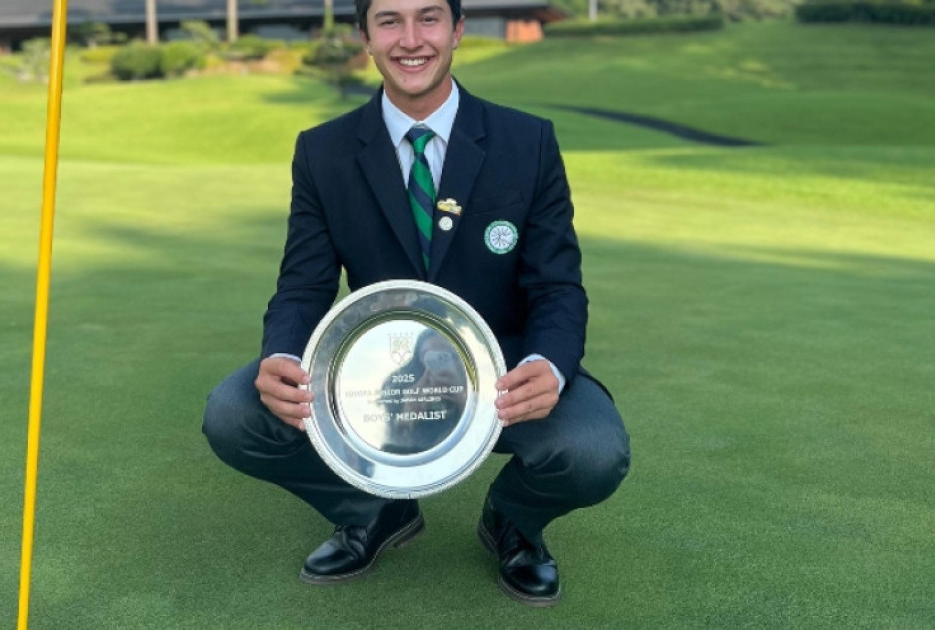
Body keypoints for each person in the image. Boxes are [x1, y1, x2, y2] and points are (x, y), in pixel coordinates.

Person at [203, 0, 630, 607]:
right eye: (389, 21)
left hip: (501, 372)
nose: (411, 39)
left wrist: (550, 365)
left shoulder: (527, 141)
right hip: (378, 375)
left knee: (594, 451)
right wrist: (282, 353)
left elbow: (556, 286)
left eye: (428, 18)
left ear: (457, 31)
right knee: (233, 413)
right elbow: (303, 284)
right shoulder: (323, 152)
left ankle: (513, 520)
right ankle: (375, 509)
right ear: (365, 36)